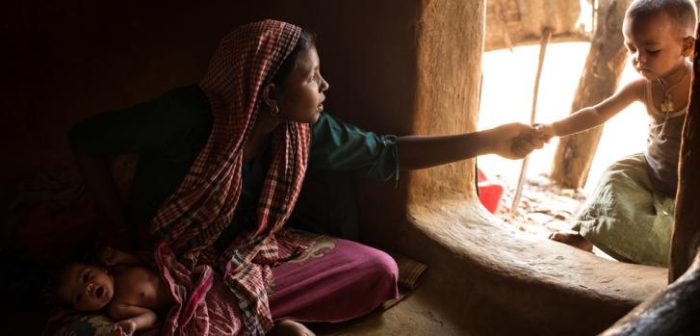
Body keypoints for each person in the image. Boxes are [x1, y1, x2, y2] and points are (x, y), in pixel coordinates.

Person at [67, 20, 543, 335]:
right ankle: (214, 314)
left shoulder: (300, 131)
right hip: (165, 264)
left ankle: (222, 315)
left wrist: (490, 141)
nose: (324, 87)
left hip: (242, 259)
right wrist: (117, 226)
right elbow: (85, 137)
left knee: (380, 271)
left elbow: (385, 153)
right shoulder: (187, 115)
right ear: (270, 92)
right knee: (142, 296)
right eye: (313, 77)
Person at [542, 0, 697, 266]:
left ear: (686, 46)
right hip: (650, 170)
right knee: (615, 174)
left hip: (692, 181)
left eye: (651, 50)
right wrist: (553, 129)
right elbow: (596, 113)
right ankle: (585, 234)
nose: (639, 59)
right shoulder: (641, 88)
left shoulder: (695, 85)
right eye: (631, 48)